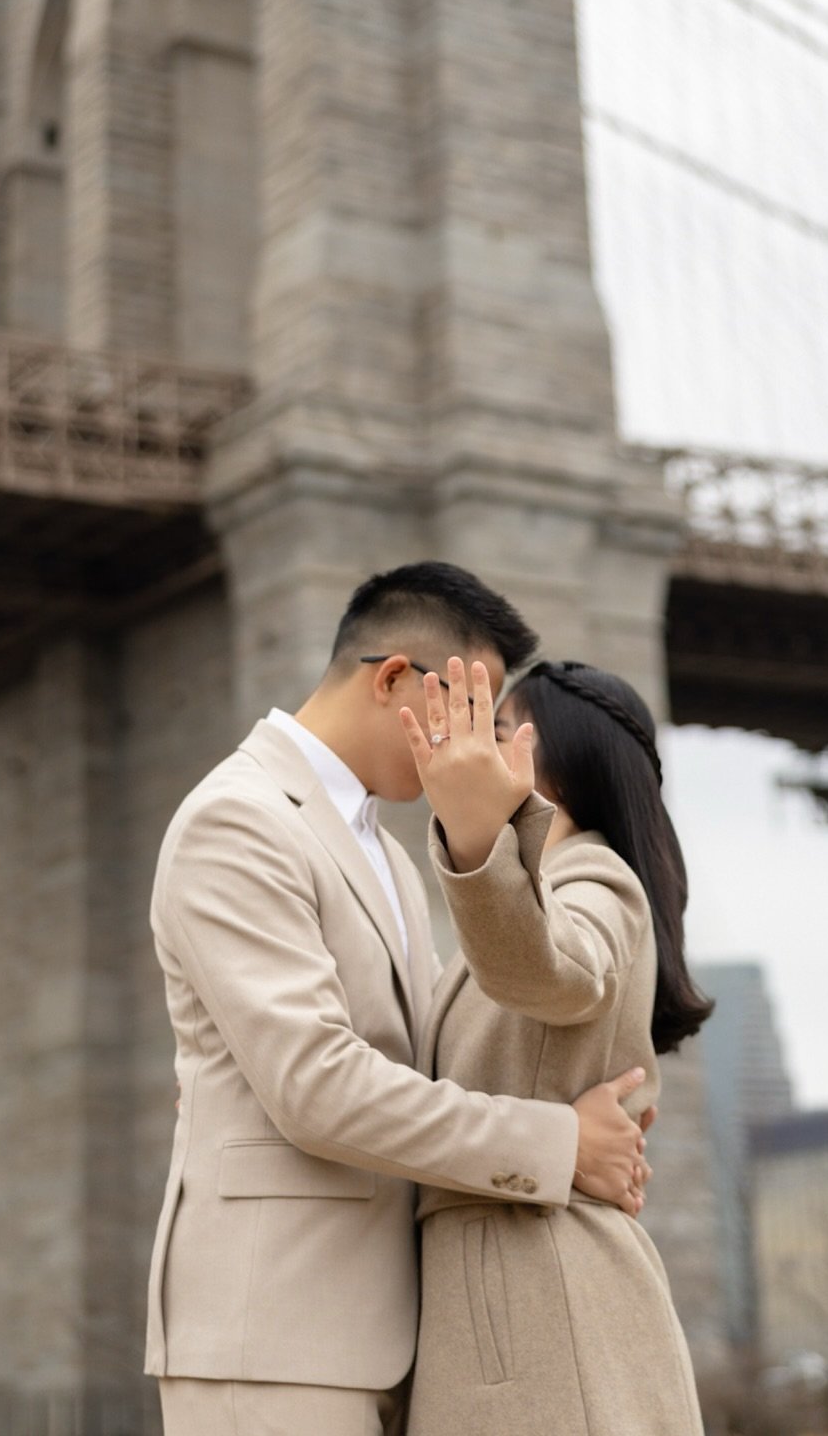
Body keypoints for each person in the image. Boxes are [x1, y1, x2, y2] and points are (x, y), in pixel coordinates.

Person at [145, 564, 654, 1436]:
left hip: (391, 1336)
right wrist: (560, 1143)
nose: (478, 744)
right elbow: (317, 1084)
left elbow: (420, 1064)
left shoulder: (391, 857)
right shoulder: (238, 817)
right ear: (391, 678)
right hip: (271, 1337)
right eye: (468, 707)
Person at [401, 654, 713, 1436]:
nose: (476, 745)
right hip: (519, 1291)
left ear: (561, 762)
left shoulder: (597, 877)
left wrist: (477, 838)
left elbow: (553, 974)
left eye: (500, 729)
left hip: (544, 1291)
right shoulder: (536, 892)